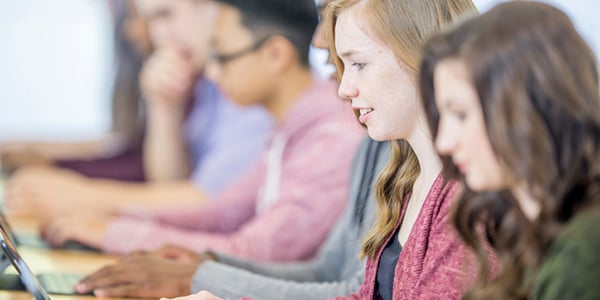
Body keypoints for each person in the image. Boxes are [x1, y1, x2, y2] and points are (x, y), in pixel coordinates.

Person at [162, 0, 484, 299]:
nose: (344, 89)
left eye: (359, 63)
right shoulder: (402, 176)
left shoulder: (467, 195)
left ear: (423, 56)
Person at [69, 1, 384, 298]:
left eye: (221, 56)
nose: (211, 72)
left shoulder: (334, 135)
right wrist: (114, 223)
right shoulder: (291, 127)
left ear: (275, 54)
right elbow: (223, 210)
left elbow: (261, 250)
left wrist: (121, 234)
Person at [6, 0, 272, 218]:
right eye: (150, 20)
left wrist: (81, 196)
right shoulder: (206, 85)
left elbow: (212, 202)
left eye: (165, 14)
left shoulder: (247, 81)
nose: (158, 35)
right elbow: (169, 184)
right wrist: (164, 108)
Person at [419, 1, 600, 299]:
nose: (444, 142)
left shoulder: (584, 253)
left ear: (527, 108)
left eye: (461, 114)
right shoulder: (530, 231)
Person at [0, 0, 150, 182]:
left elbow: (141, 164)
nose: (130, 30)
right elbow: (121, 141)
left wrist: (56, 166)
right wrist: (38, 151)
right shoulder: (133, 64)